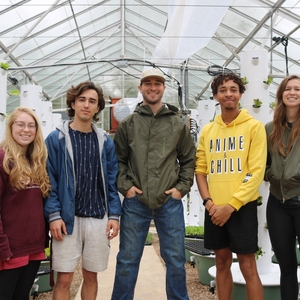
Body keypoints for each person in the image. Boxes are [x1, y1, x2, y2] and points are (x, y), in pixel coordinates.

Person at [111, 68, 195, 300]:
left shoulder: (178, 123)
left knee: (176, 259)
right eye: (147, 83)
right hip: (136, 201)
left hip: (169, 201)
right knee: (127, 260)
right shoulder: (128, 124)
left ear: (163, 88)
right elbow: (118, 161)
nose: (152, 87)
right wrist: (126, 187)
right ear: (140, 88)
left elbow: (189, 159)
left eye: (157, 83)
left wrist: (181, 189)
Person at [44, 81, 122, 300]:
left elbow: (111, 182)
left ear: (98, 108)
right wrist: (54, 214)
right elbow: (49, 181)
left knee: (91, 276)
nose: (86, 105)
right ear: (73, 103)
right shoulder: (56, 139)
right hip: (68, 219)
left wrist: (114, 215)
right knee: (65, 279)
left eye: (92, 101)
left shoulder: (105, 142)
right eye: (82, 100)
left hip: (97, 217)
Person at [195, 73, 266, 300]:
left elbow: (255, 173)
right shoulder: (208, 131)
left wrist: (231, 205)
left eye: (233, 89)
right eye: (223, 90)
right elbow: (201, 170)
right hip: (214, 209)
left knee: (247, 266)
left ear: (240, 94)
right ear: (216, 95)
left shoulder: (254, 128)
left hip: (241, 207)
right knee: (221, 262)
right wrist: (209, 203)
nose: (228, 94)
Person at [0, 106, 51, 299]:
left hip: (33, 247)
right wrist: (2, 246)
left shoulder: (36, 161)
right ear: (11, 127)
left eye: (31, 126)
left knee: (22, 296)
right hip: (11, 248)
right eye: (20, 124)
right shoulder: (3, 159)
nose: (26, 130)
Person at [265, 74, 300, 300]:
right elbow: (263, 163)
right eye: (288, 88)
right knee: (286, 267)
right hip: (277, 203)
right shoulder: (270, 128)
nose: (293, 92)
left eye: (298, 89)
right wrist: (273, 174)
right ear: (281, 94)